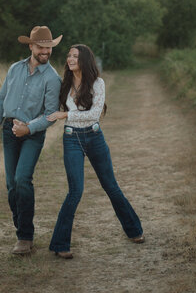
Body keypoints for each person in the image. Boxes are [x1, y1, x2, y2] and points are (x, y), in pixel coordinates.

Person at [46, 44, 144, 259]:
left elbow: (94, 114)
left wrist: (65, 116)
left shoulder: (97, 83)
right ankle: (60, 244)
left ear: (85, 60)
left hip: (94, 136)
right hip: (72, 139)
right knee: (75, 191)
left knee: (111, 186)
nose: (70, 59)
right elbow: (50, 109)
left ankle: (134, 230)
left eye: (75, 56)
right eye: (69, 56)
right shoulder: (64, 84)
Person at [0, 26, 62, 255]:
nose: (45, 52)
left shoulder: (52, 78)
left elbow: (50, 115)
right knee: (11, 186)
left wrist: (28, 129)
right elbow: (1, 101)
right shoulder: (14, 69)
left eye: (48, 48)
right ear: (31, 46)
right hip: (9, 131)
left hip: (32, 134)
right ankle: (21, 227)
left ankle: (25, 237)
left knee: (22, 179)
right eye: (41, 47)